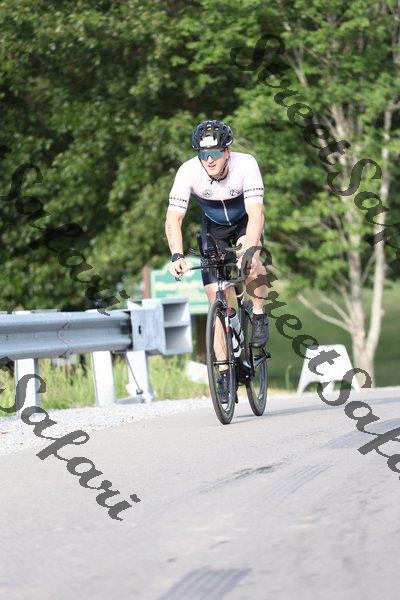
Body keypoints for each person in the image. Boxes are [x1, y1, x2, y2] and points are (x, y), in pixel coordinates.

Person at [165, 119, 268, 399]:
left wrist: (249, 250)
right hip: (214, 229)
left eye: (214, 153)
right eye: (203, 154)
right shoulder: (188, 171)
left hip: (244, 223)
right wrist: (177, 255)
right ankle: (224, 373)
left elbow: (256, 214)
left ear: (227, 151)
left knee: (252, 259)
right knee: (216, 297)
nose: (209, 160)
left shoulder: (246, 164)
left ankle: (259, 314)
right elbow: (174, 218)